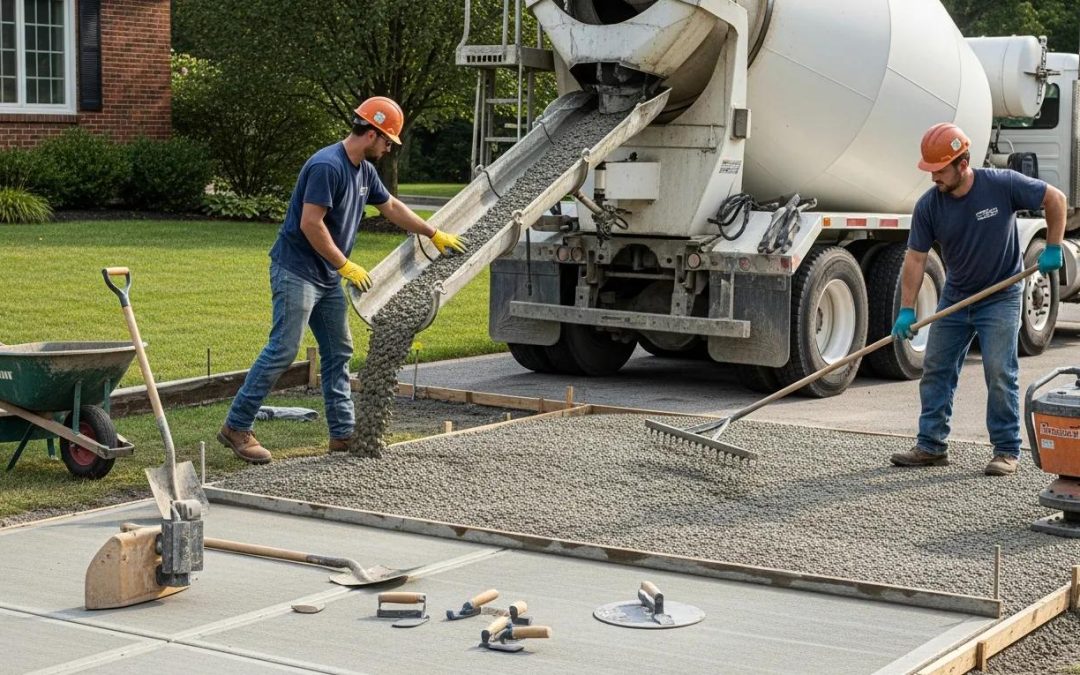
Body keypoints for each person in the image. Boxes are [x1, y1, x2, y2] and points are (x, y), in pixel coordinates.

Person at [218, 96, 467, 464]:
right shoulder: (326, 166)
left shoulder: (364, 170)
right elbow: (310, 223)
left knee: (339, 351)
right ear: (371, 133)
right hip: (297, 270)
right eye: (387, 141)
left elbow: (391, 207)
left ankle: (341, 434)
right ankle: (236, 427)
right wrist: (345, 265)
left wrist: (432, 233)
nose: (388, 148)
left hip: (326, 276)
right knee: (284, 349)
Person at [888, 122, 1066, 476]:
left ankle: (1006, 449)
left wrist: (1054, 247)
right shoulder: (930, 206)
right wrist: (907, 309)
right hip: (957, 294)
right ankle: (931, 445)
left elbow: (1055, 199)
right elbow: (916, 258)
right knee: (936, 368)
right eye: (930, 170)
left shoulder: (1002, 185)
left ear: (962, 163)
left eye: (939, 170)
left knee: (1000, 370)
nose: (933, 178)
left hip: (1001, 294)